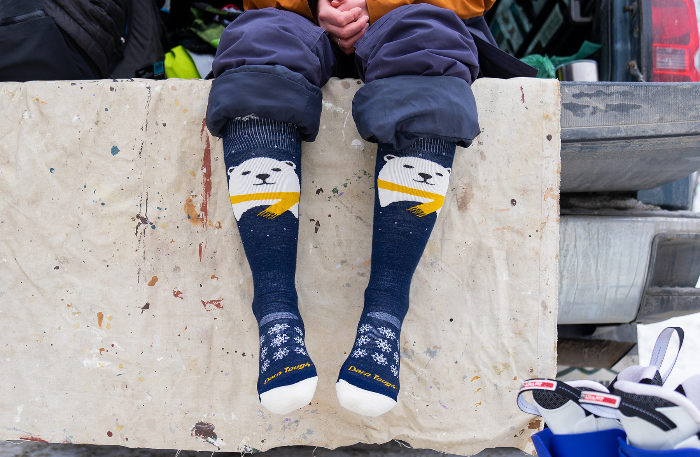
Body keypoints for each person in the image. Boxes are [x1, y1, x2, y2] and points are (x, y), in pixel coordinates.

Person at [206, 0, 535, 417]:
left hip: (408, 18)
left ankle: (384, 315)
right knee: (256, 43)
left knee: (426, 43)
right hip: (299, 25)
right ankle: (276, 314)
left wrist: (372, 3)